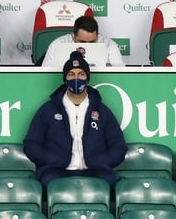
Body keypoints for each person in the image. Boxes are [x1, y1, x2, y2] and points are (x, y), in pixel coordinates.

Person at [23, 51, 127, 186]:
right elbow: (31, 144)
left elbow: (118, 146)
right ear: (65, 78)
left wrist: (100, 161)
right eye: (71, 74)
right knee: (47, 180)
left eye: (81, 74)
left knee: (109, 180)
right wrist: (51, 160)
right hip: (57, 169)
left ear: (88, 78)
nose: (76, 78)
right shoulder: (48, 109)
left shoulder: (101, 110)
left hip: (94, 170)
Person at [41, 15, 126, 68]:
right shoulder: (58, 45)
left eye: (92, 42)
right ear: (74, 35)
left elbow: (121, 72)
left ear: (97, 35)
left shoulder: (109, 45)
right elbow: (45, 72)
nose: (87, 46)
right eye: (82, 42)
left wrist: (110, 69)